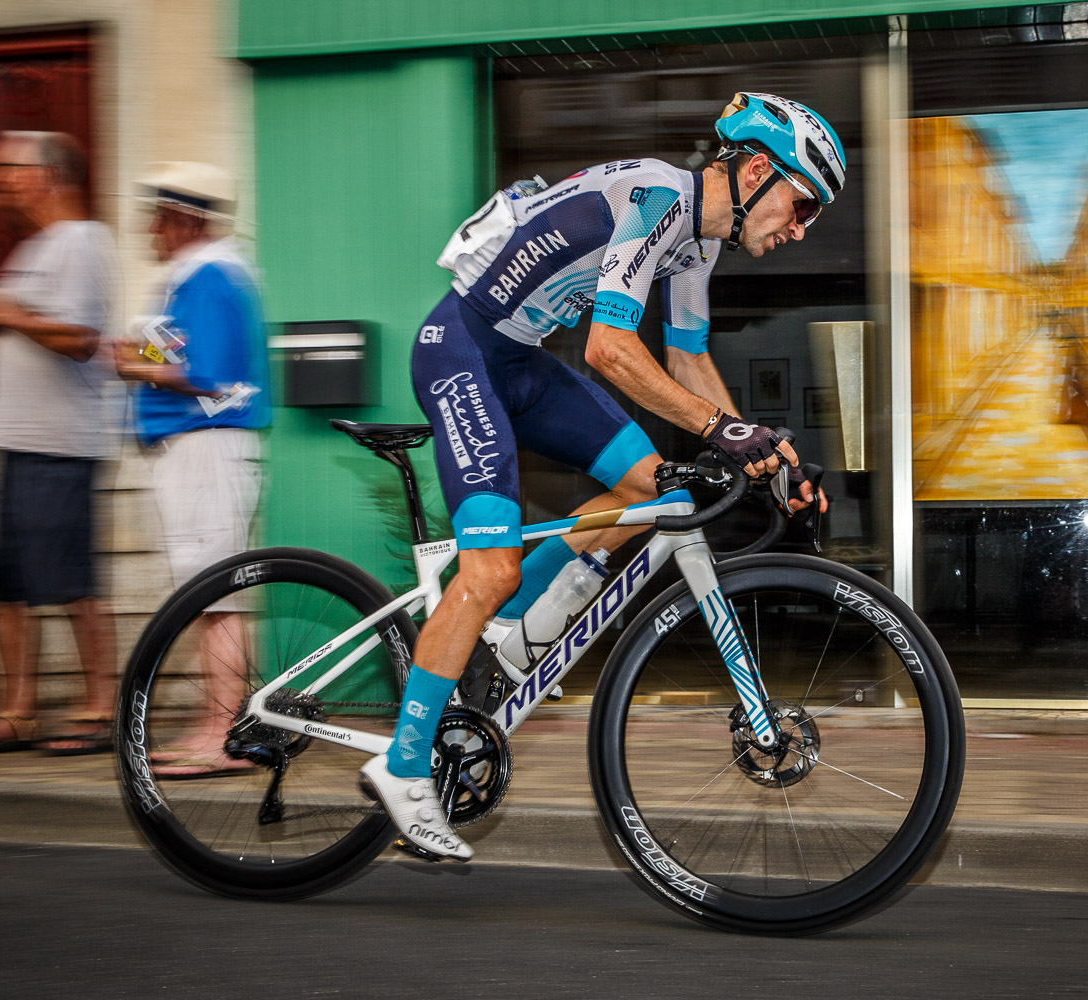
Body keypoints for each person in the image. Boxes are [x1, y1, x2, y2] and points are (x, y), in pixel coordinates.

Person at [359, 92, 845, 860]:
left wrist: (769, 454)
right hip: (461, 349)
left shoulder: (700, 239)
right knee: (487, 570)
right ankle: (404, 763)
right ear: (757, 170)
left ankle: (519, 632)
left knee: (659, 492)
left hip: (520, 362)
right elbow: (610, 350)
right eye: (803, 204)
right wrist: (723, 430)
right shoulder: (657, 196)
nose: (800, 226)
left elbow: (687, 361)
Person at [0, 131, 117, 755]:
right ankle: (17, 710)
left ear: (47, 175)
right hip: (19, 443)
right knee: (10, 585)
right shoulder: (34, 247)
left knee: (70, 579)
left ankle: (100, 707)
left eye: (8, 167)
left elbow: (79, 338)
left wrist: (1, 311)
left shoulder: (83, 239)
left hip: (61, 443)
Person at [113, 162, 271, 779]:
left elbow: (201, 374)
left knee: (217, 597)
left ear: (185, 220)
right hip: (203, 447)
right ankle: (218, 726)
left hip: (207, 449)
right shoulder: (209, 276)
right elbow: (194, 360)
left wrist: (133, 364)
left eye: (158, 217)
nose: (150, 230)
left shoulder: (208, 276)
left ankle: (223, 732)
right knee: (210, 597)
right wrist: (145, 353)